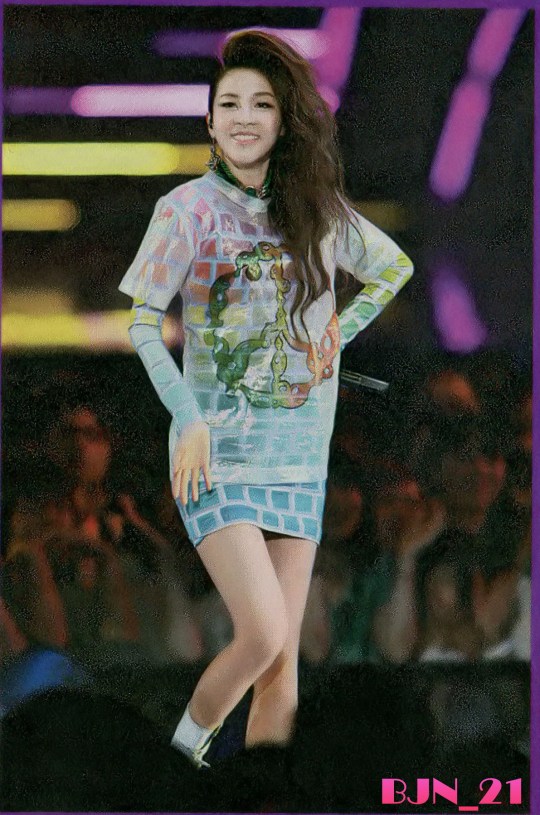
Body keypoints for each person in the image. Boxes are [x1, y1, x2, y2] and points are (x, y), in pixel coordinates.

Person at [118, 30, 413, 767]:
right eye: (230, 105)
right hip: (214, 452)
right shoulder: (186, 209)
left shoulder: (313, 208)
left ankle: (267, 796)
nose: (244, 117)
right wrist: (187, 417)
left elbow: (392, 267)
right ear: (209, 122)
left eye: (261, 104)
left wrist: (336, 333)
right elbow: (143, 323)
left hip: (299, 453)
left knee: (282, 667)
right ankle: (176, 768)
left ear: (284, 121)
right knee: (263, 633)